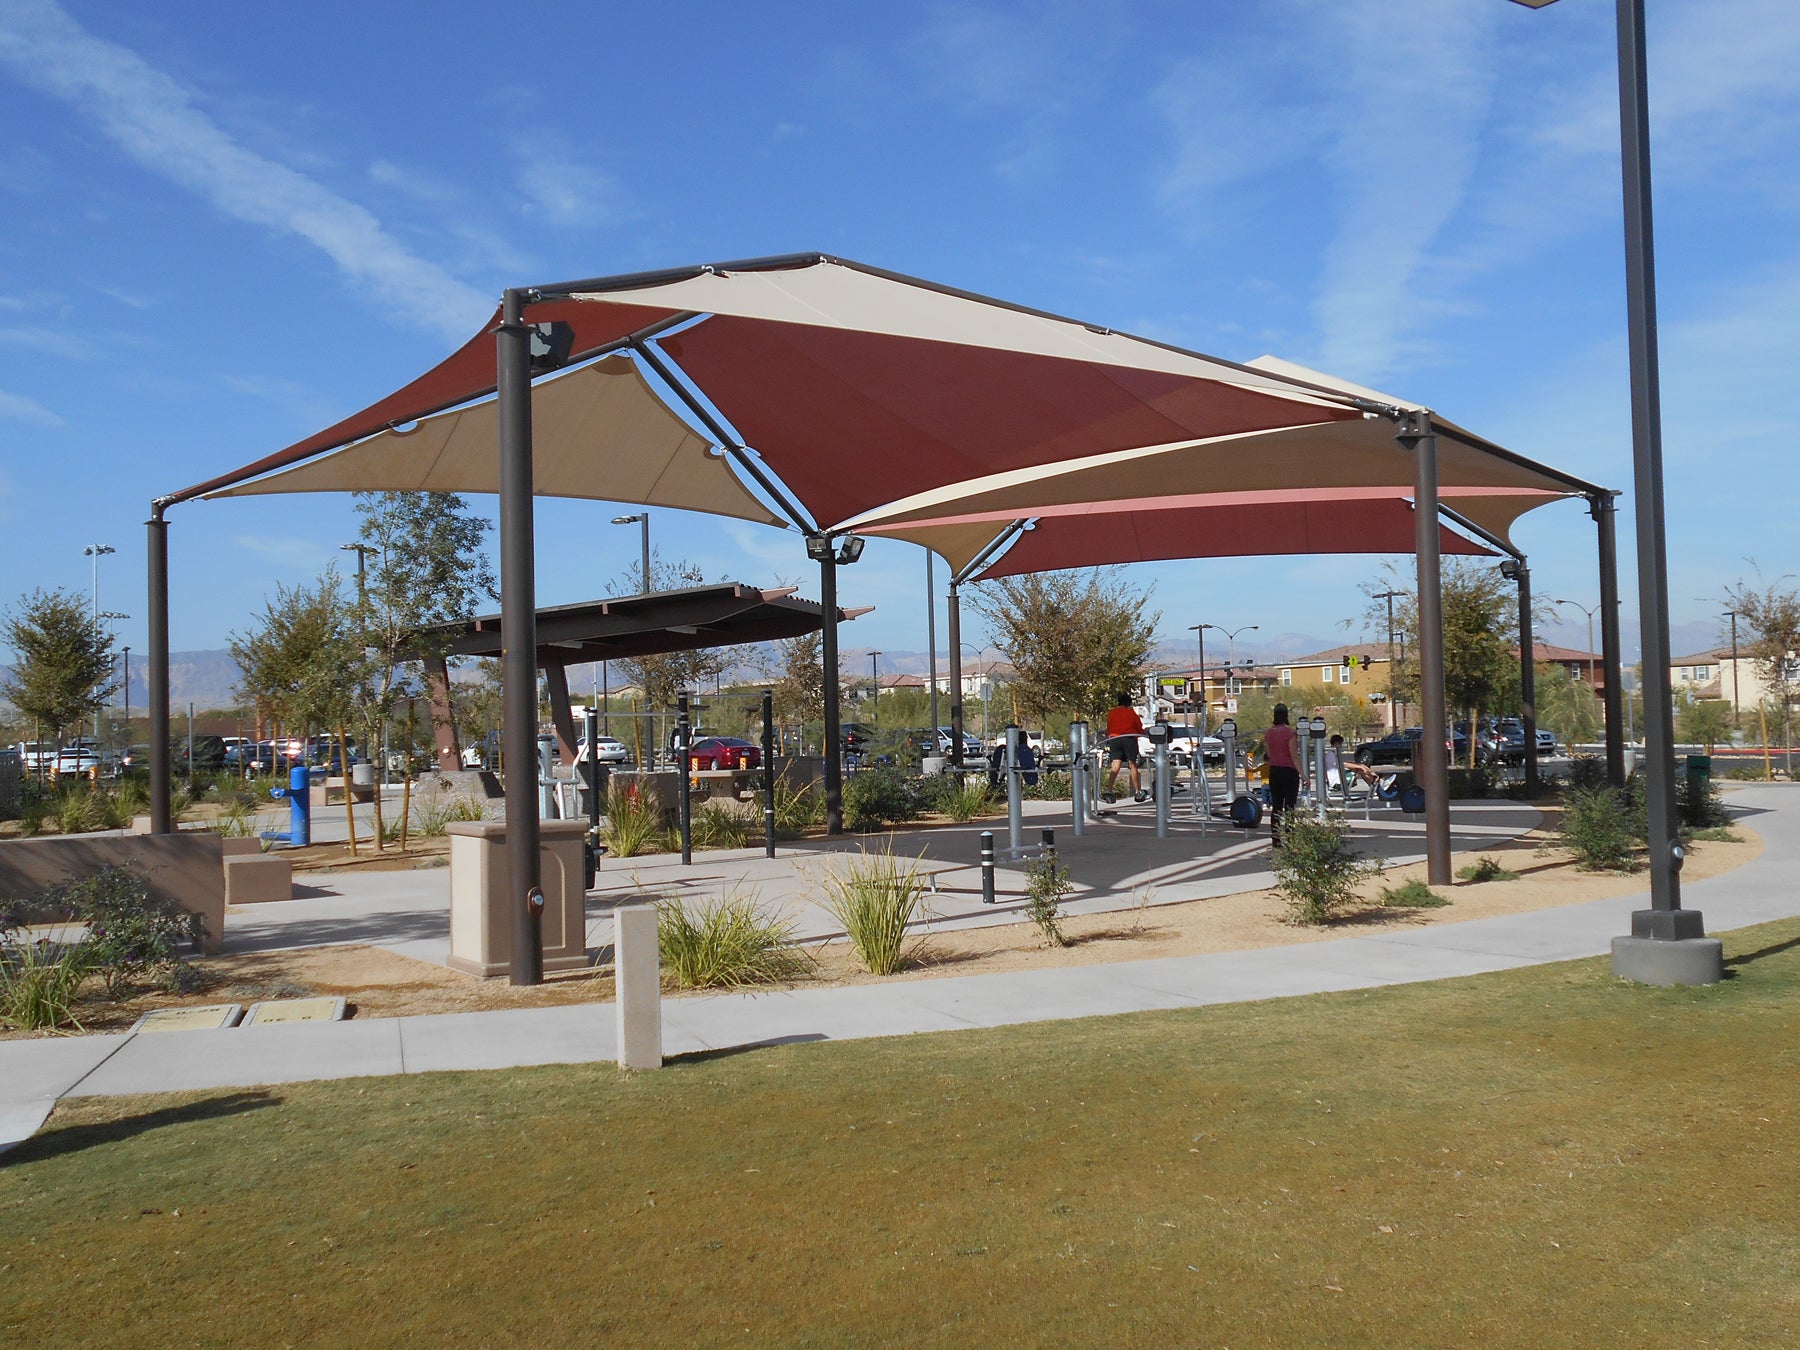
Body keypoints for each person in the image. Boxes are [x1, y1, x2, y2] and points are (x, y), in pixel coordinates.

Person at [1262, 703, 1301, 845]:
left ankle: (1276, 838)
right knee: (1290, 806)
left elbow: (1269, 754)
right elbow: (1294, 757)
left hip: (1274, 771)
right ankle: (1290, 836)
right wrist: (1303, 775)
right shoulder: (1290, 733)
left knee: (1276, 806)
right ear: (1286, 715)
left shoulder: (1268, 733)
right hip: (1289, 771)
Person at [1101, 693, 1148, 804]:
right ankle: (1138, 791)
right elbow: (1139, 727)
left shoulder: (1112, 713)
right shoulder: (1131, 713)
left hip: (1115, 739)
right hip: (1129, 739)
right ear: (1129, 703)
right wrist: (1141, 733)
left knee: (1115, 764)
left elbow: (1109, 727)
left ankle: (1109, 789)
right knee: (1132, 764)